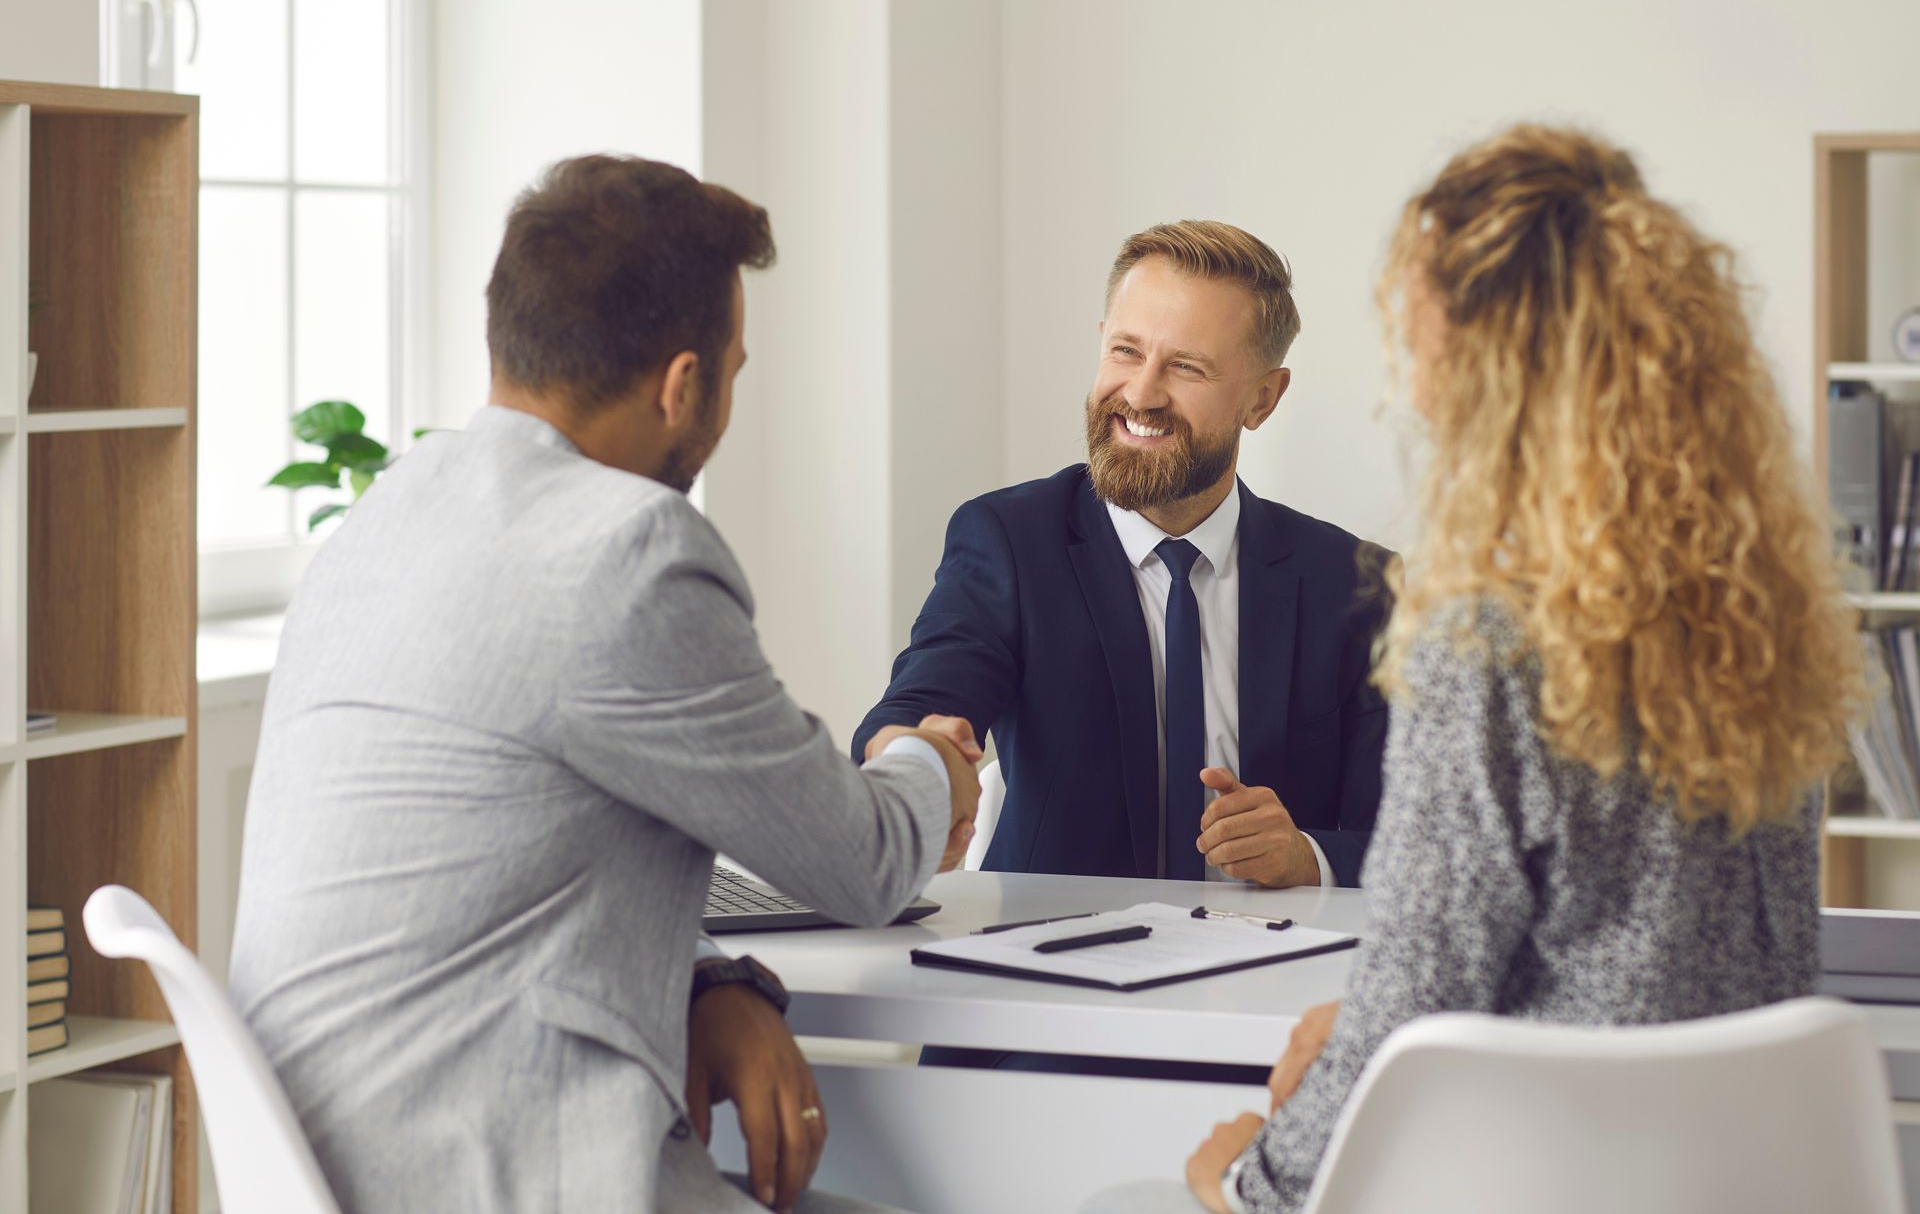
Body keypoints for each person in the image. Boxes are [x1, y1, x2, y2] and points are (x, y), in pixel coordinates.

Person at [1086, 124, 1864, 1214]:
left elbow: (1421, 994)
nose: (1409, 385)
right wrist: (1365, 1029)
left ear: (1493, 368)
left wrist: (1247, 1177)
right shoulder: (1763, 621)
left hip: (1525, 1172)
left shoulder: (1488, 638)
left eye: (1419, 342)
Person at [227, 155, 982, 1214]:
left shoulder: (390, 514)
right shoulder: (627, 554)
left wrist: (713, 977)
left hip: (344, 1165)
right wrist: (929, 760)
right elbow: (866, 862)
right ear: (683, 384)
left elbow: (508, 880)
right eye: (736, 369)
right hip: (499, 1172)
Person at [856, 220, 1391, 892]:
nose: (1141, 394)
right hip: (1050, 967)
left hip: (1273, 976)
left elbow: (1424, 845)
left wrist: (1306, 855)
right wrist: (917, 771)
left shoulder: (1358, 586)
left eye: (1186, 366)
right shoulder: (1010, 542)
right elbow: (921, 705)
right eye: (1126, 352)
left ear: (1262, 397)